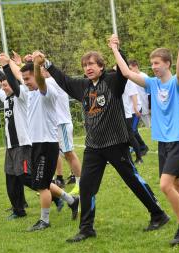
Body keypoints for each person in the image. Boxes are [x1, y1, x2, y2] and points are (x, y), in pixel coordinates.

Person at [38, 48, 169, 242]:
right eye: (85, 65)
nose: (88, 68)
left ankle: (158, 214)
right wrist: (46, 63)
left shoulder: (113, 81)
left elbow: (124, 69)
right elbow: (63, 80)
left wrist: (116, 48)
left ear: (101, 67)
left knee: (132, 180)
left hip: (116, 143)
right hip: (93, 147)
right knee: (87, 186)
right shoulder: (83, 86)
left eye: (92, 64)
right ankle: (86, 228)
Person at [110, 34, 179, 246]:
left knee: (165, 185)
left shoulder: (176, 84)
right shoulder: (152, 84)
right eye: (151, 63)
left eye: (157, 63)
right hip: (164, 143)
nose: (153, 67)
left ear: (167, 64)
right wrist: (114, 49)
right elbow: (125, 72)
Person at [0, 52, 79, 231]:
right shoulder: (29, 90)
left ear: (37, 75)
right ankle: (71, 200)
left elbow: (40, 82)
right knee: (40, 182)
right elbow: (19, 76)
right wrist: (7, 63)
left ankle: (44, 220)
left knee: (42, 186)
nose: (25, 82)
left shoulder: (47, 87)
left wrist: (36, 65)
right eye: (25, 79)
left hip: (47, 144)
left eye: (29, 79)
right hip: (36, 144)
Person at [0, 58, 30, 220]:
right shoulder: (6, 96)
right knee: (11, 177)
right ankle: (19, 208)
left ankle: (57, 196)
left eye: (6, 84)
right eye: (3, 84)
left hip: (23, 144)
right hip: (11, 145)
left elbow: (10, 81)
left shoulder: (21, 95)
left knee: (25, 177)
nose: (3, 86)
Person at [41, 67, 82, 195]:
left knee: (69, 153)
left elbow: (36, 81)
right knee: (61, 153)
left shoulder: (53, 81)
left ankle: (81, 183)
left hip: (62, 123)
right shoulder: (51, 81)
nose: (39, 72)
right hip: (57, 124)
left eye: (40, 69)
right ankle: (59, 181)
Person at [128, 60, 150, 155]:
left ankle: (141, 147)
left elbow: (150, 93)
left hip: (144, 107)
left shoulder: (144, 77)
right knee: (133, 130)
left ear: (136, 66)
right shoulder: (131, 78)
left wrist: (150, 107)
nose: (129, 71)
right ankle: (138, 146)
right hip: (136, 108)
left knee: (152, 126)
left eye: (130, 69)